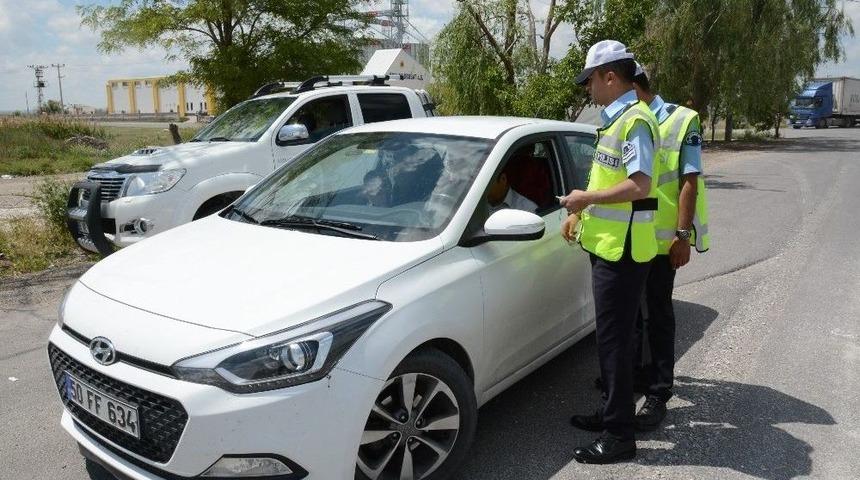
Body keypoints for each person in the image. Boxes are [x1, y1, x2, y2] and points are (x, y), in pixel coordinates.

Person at [559, 40, 660, 464]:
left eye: (591, 81)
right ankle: (611, 413)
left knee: (615, 344)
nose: (588, 90)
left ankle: (619, 436)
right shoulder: (615, 120)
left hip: (623, 253)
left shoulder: (634, 120)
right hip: (608, 246)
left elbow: (641, 185)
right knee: (611, 341)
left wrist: (584, 198)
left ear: (610, 77)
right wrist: (581, 213)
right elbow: (609, 177)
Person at [628, 62, 710, 430]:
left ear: (633, 88)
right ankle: (635, 376)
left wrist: (683, 236)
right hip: (630, 238)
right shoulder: (630, 121)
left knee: (658, 314)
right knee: (632, 316)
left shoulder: (680, 120)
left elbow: (688, 183)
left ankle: (659, 391)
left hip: (663, 242)